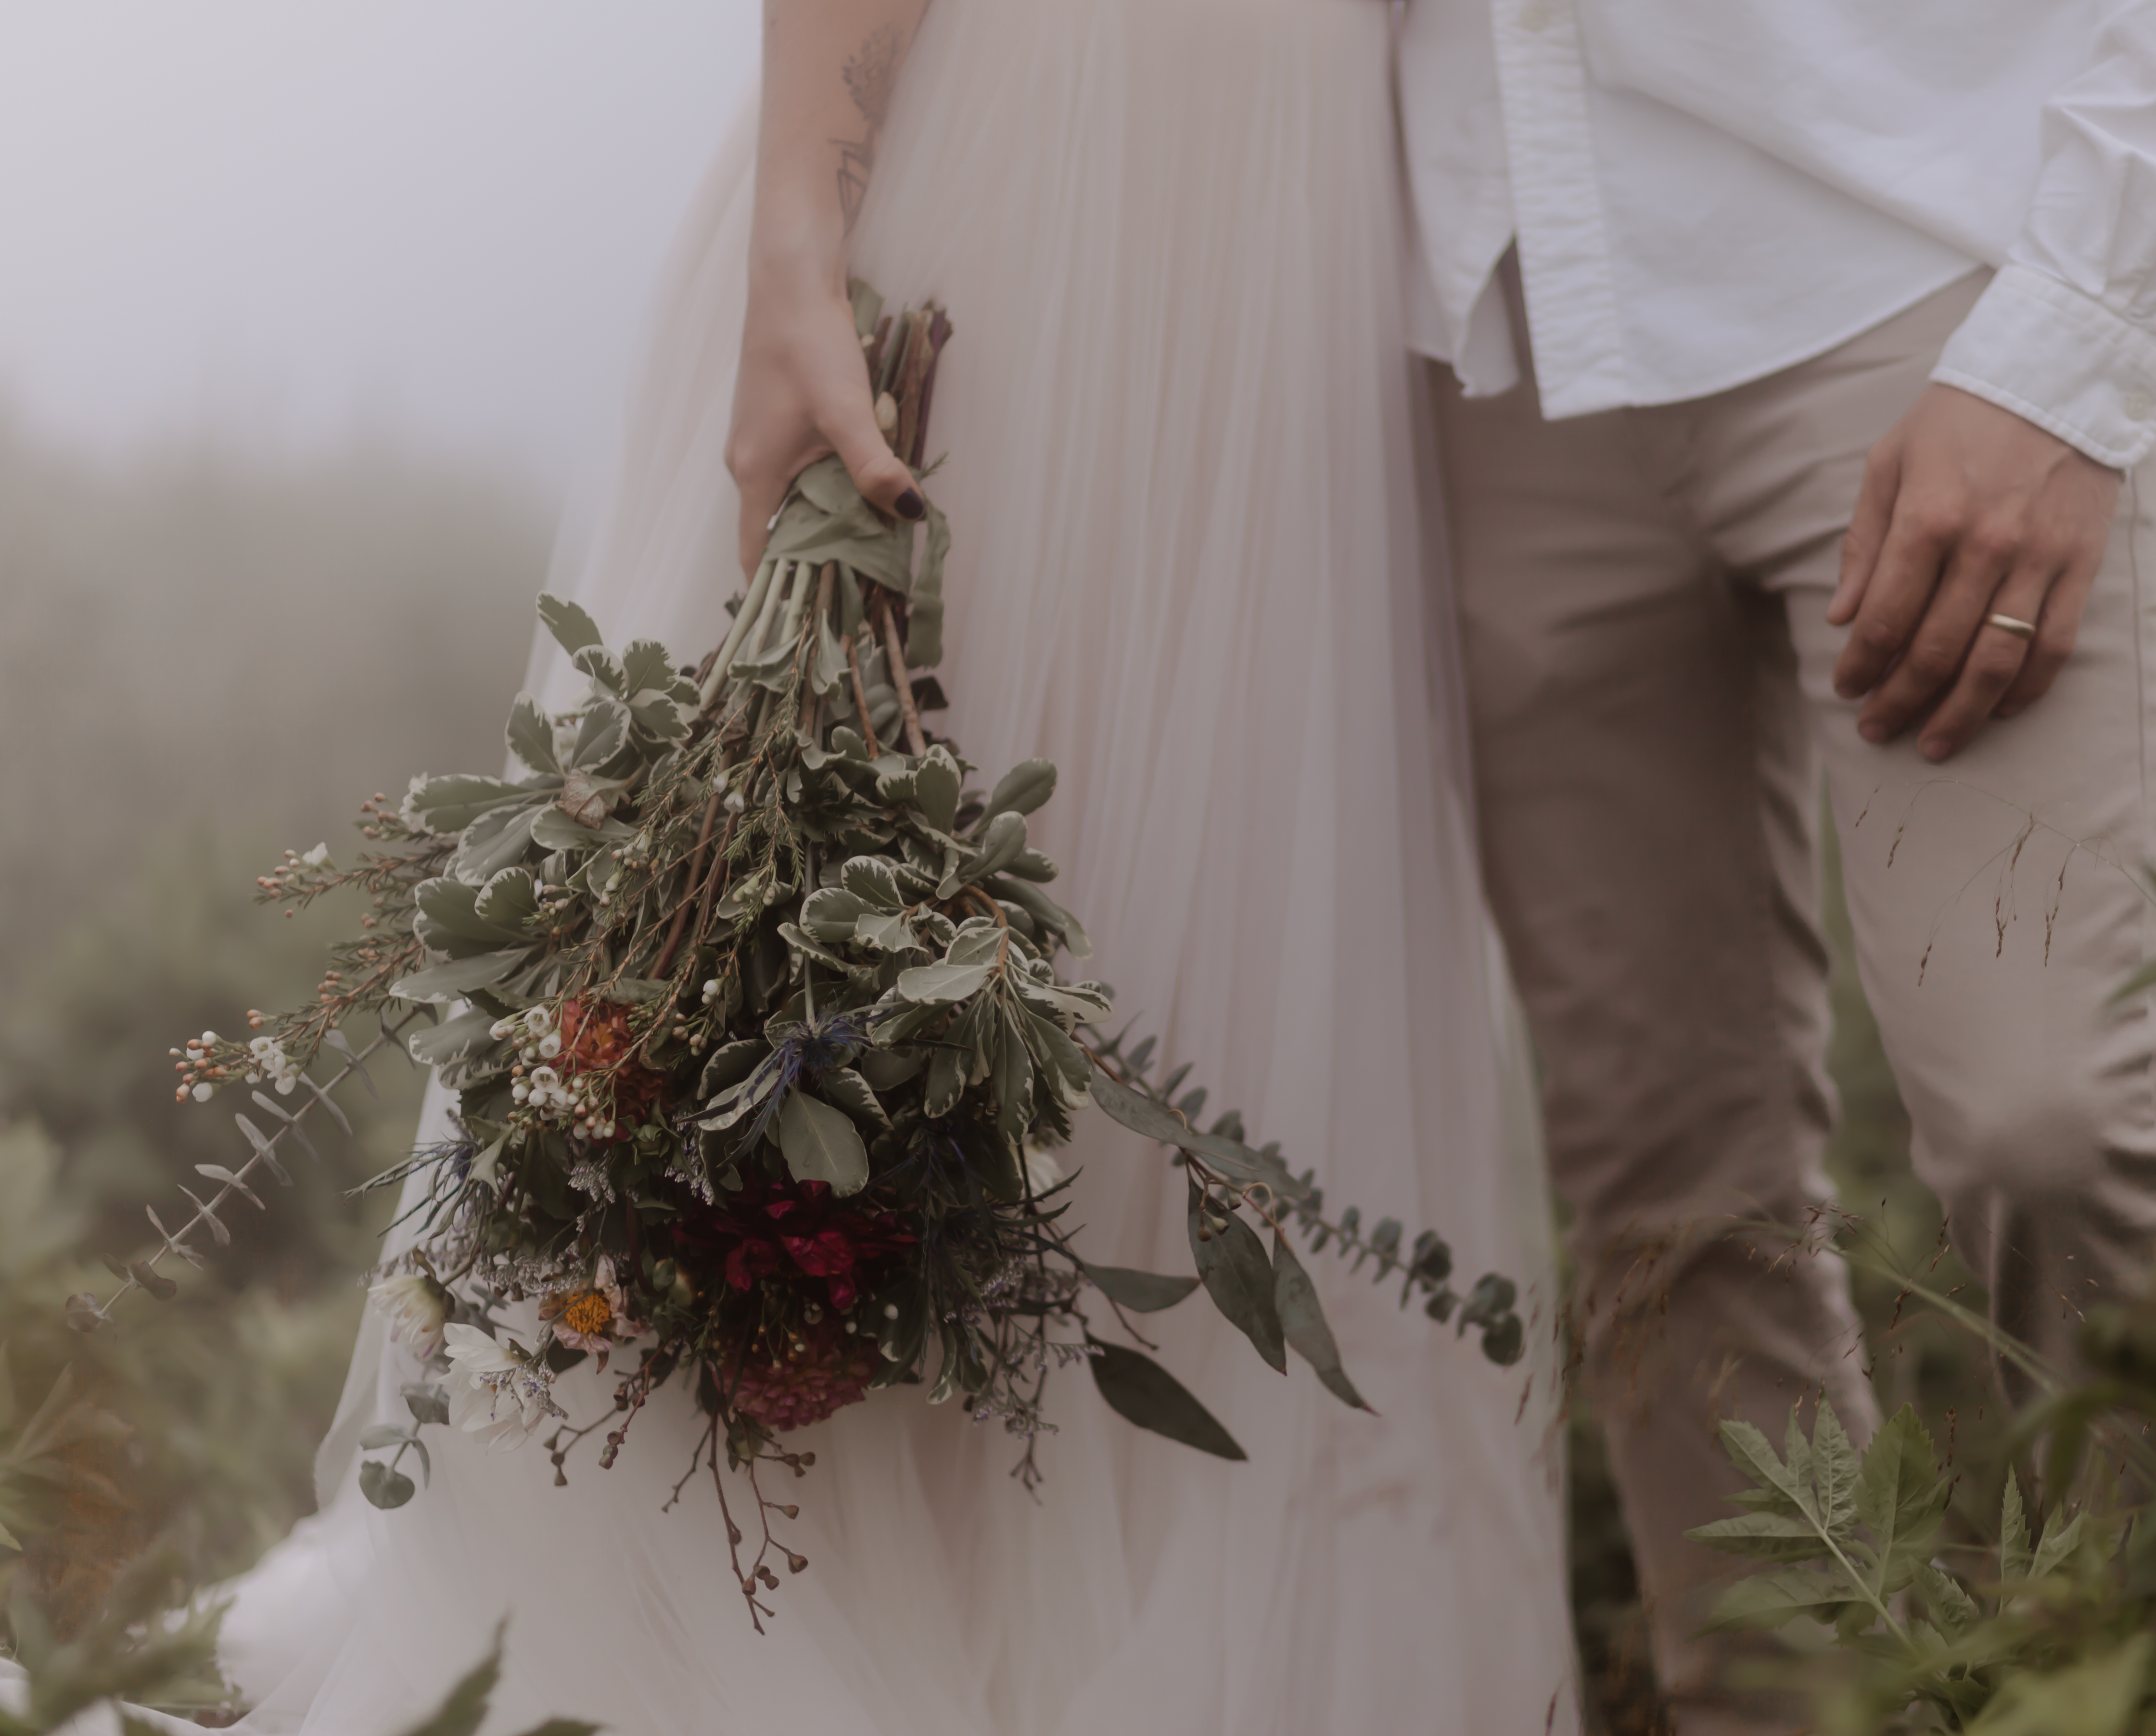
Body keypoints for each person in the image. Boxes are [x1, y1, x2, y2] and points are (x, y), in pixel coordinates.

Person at [207, 1, 1574, 1729]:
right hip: (1016, 164)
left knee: (1204, 948)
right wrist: (803, 229)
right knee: (909, 815)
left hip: (1296, 226)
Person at [1397, 1, 2156, 1728]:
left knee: (2054, 1114)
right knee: (1669, 1203)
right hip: (1492, 308)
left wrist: (2071, 352)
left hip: (1917, 268)